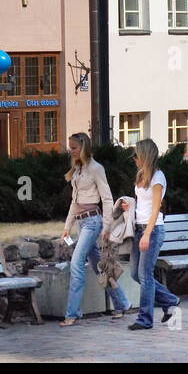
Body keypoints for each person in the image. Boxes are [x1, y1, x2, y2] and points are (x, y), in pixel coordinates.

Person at [60, 132, 130, 326]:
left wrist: (106, 227)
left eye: (74, 147)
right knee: (100, 267)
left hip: (93, 223)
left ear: (83, 147)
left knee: (76, 264)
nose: (71, 151)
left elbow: (107, 199)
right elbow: (74, 203)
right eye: (70, 147)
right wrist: (67, 227)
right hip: (82, 224)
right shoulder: (77, 170)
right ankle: (122, 302)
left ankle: (72, 313)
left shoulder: (96, 169)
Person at [123, 139, 179, 331]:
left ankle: (145, 319)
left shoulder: (158, 177)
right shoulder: (141, 175)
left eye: (136, 155)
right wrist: (129, 206)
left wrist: (147, 234)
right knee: (135, 274)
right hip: (139, 228)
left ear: (145, 156)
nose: (134, 158)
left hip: (152, 230)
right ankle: (171, 300)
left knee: (145, 275)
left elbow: (155, 209)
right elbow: (142, 204)